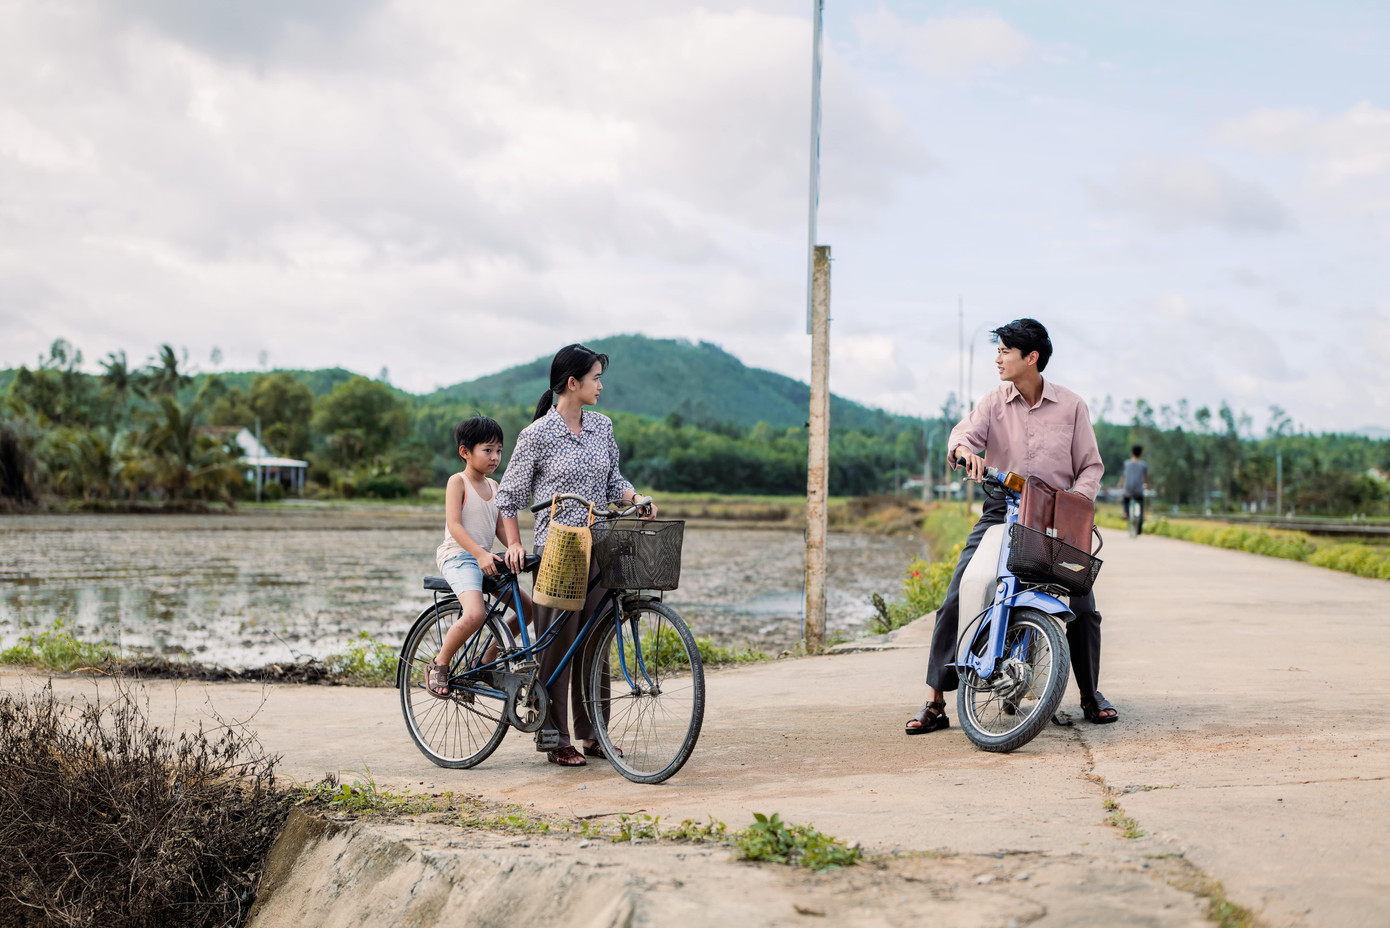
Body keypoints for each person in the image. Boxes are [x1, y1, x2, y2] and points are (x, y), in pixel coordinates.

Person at [905, 318, 1119, 733]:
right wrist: (966, 452)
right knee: (958, 593)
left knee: (1083, 606)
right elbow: (960, 438)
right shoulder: (992, 403)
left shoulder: (1072, 406)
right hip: (1002, 508)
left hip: (1056, 515)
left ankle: (1091, 695)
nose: (998, 358)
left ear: (1031, 357)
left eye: (1005, 350)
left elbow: (1091, 466)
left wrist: (1076, 504)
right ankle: (935, 701)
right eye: (998, 350)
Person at [495, 343, 656, 767]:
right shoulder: (537, 435)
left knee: (597, 644)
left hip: (600, 543)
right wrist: (513, 544)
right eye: (595, 378)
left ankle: (594, 734)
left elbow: (612, 482)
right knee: (559, 645)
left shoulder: (602, 428)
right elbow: (508, 498)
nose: (600, 386)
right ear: (572, 383)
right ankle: (554, 735)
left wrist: (635, 496)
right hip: (559, 549)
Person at [425, 416, 524, 698]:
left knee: (530, 609)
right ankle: (439, 663)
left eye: (499, 450)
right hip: (459, 557)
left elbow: (498, 529)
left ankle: (485, 661)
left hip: (486, 559)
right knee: (476, 613)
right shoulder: (458, 482)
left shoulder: (494, 487)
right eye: (488, 450)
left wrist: (516, 548)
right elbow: (454, 526)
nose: (495, 457)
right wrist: (480, 553)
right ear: (465, 452)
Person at [1122, 445, 1148, 535]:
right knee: (1140, 504)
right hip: (1138, 490)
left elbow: (1124, 476)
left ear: (1132, 452)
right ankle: (1139, 529)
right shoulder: (1143, 465)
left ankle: (1126, 513)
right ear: (1140, 454)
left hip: (1128, 489)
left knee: (1125, 500)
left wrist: (1120, 484)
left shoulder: (1127, 463)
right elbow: (1145, 477)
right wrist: (1147, 484)